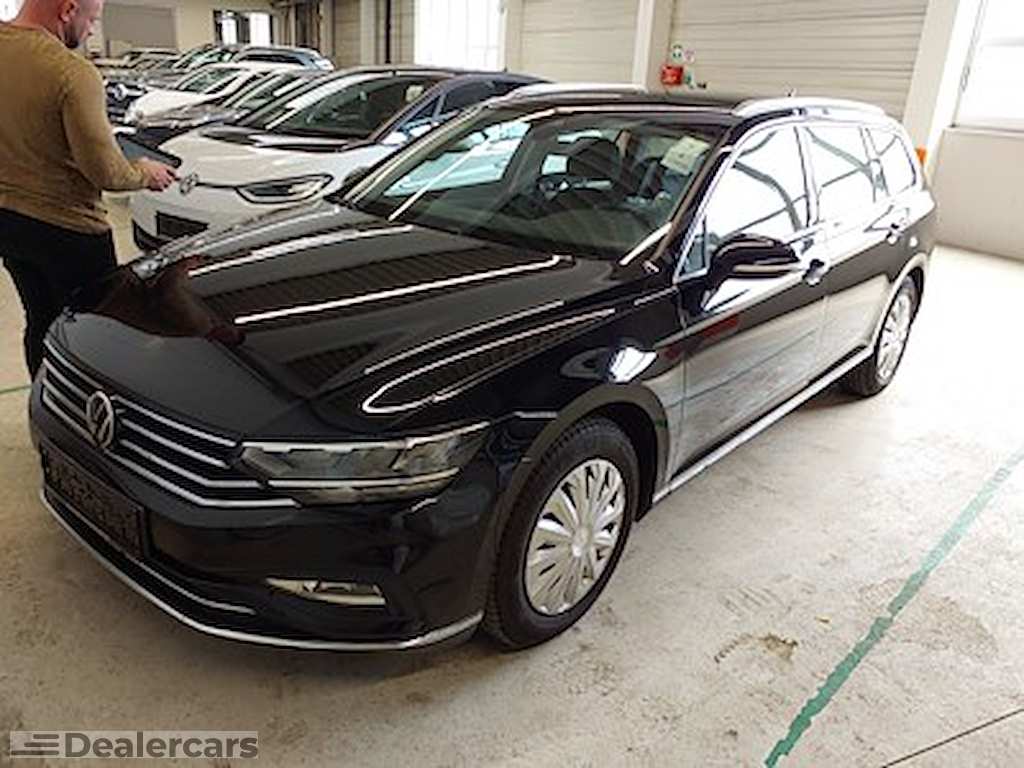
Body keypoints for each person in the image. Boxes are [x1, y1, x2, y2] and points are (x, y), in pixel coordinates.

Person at [0, 0, 176, 376]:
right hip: (69, 230)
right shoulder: (70, 71)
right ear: (68, 9)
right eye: (92, 19)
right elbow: (106, 173)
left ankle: (46, 396)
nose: (93, 30)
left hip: (8, 221)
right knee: (98, 335)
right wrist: (145, 172)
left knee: (40, 318)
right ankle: (87, 408)